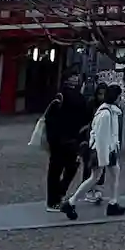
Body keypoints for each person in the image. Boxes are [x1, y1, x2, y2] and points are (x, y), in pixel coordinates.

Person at [63, 85, 125, 219]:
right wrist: (104, 158)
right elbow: (101, 137)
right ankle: (71, 202)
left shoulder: (109, 112)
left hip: (108, 150)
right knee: (95, 177)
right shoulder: (106, 114)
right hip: (103, 151)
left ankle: (113, 203)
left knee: (112, 173)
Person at [42, 79, 91, 211]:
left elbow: (50, 118)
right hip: (67, 138)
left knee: (60, 168)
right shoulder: (70, 97)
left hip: (62, 138)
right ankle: (56, 197)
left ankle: (56, 197)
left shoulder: (62, 96)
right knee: (66, 167)